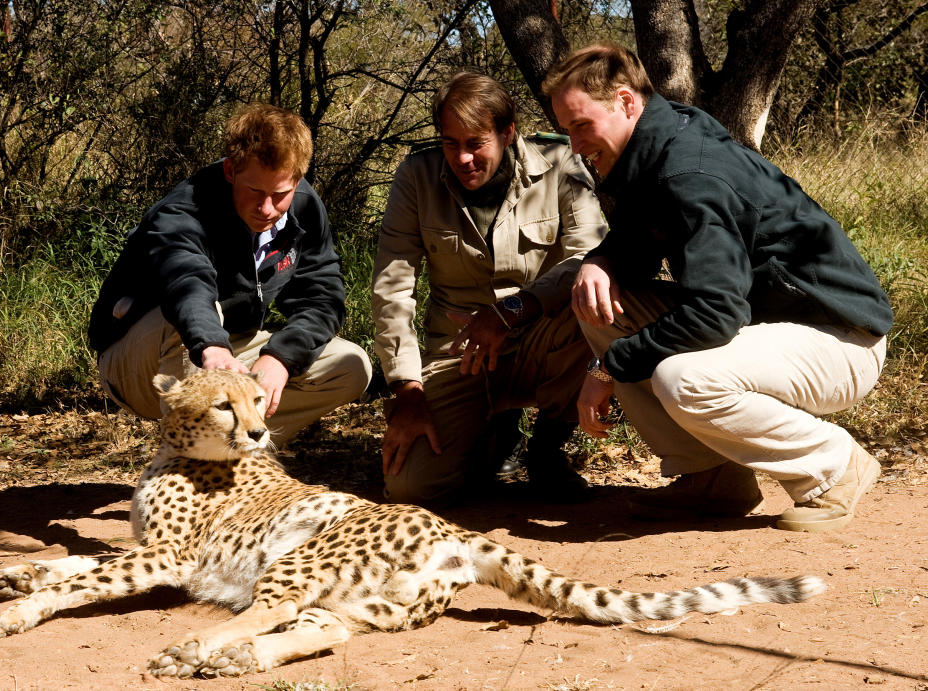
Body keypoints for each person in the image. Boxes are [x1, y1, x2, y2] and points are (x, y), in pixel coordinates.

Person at [541, 42, 893, 532]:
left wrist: (606, 369)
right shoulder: (655, 144)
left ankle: (833, 466)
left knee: (684, 379)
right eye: (567, 130)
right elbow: (643, 237)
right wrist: (601, 261)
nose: (575, 146)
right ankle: (711, 478)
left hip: (840, 339)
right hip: (767, 327)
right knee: (598, 302)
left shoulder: (689, 171)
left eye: (581, 126)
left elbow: (714, 313)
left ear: (625, 102)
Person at [372, 72, 609, 506]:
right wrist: (406, 387)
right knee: (411, 488)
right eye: (449, 143)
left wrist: (513, 311)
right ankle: (490, 439)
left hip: (541, 333)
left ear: (507, 132)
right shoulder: (416, 177)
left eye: (475, 143)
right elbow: (393, 287)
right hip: (459, 352)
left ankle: (547, 451)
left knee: (593, 303)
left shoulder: (561, 163)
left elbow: (590, 256)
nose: (461, 158)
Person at [89, 103, 372, 444]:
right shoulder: (183, 210)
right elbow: (186, 284)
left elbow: (323, 296)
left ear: (298, 179)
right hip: (141, 358)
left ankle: (236, 453)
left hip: (231, 344)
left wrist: (280, 358)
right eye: (255, 191)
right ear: (230, 171)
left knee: (351, 367)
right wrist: (211, 346)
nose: (267, 208)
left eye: (280, 194)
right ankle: (192, 463)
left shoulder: (305, 207)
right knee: (199, 313)